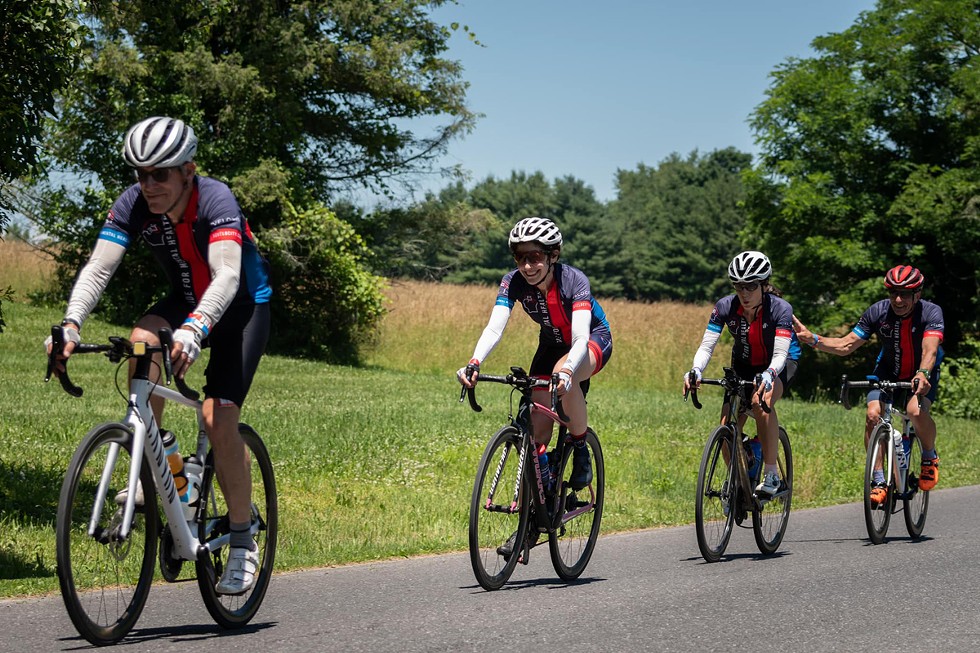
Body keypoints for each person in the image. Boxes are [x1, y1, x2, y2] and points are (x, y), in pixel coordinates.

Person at [45, 116, 272, 595]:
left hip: (242, 310)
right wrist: (70, 323)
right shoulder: (133, 205)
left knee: (216, 419)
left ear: (187, 170)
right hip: (186, 301)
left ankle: (241, 538)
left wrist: (195, 327)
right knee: (140, 338)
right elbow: (98, 269)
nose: (148, 185)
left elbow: (227, 278)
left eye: (160, 174)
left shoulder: (216, 199)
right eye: (140, 174)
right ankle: (159, 462)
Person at [457, 217, 612, 557]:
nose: (527, 265)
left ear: (553, 255)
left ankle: (580, 447)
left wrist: (570, 368)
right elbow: (495, 327)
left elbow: (581, 336)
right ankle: (532, 521)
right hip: (550, 343)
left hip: (590, 342)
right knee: (536, 438)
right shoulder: (513, 282)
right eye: (520, 257)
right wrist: (474, 361)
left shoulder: (574, 280)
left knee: (560, 376)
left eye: (535, 257)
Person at [792, 265, 944, 504]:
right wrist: (814, 340)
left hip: (922, 371)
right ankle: (879, 480)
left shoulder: (930, 313)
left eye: (905, 293)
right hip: (888, 370)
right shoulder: (878, 312)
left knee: (915, 411)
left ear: (918, 294)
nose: (898, 299)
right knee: (873, 415)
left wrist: (923, 372)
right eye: (893, 292)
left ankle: (929, 455)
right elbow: (846, 345)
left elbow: (930, 349)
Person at [683, 251, 801, 496]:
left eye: (751, 286)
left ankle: (771, 474)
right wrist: (695, 370)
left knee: (761, 402)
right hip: (743, 363)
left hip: (779, 363)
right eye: (739, 286)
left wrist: (769, 373)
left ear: (763, 285)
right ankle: (738, 479)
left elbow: (780, 355)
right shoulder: (725, 306)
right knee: (726, 425)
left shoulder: (780, 309)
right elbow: (707, 346)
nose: (744, 293)